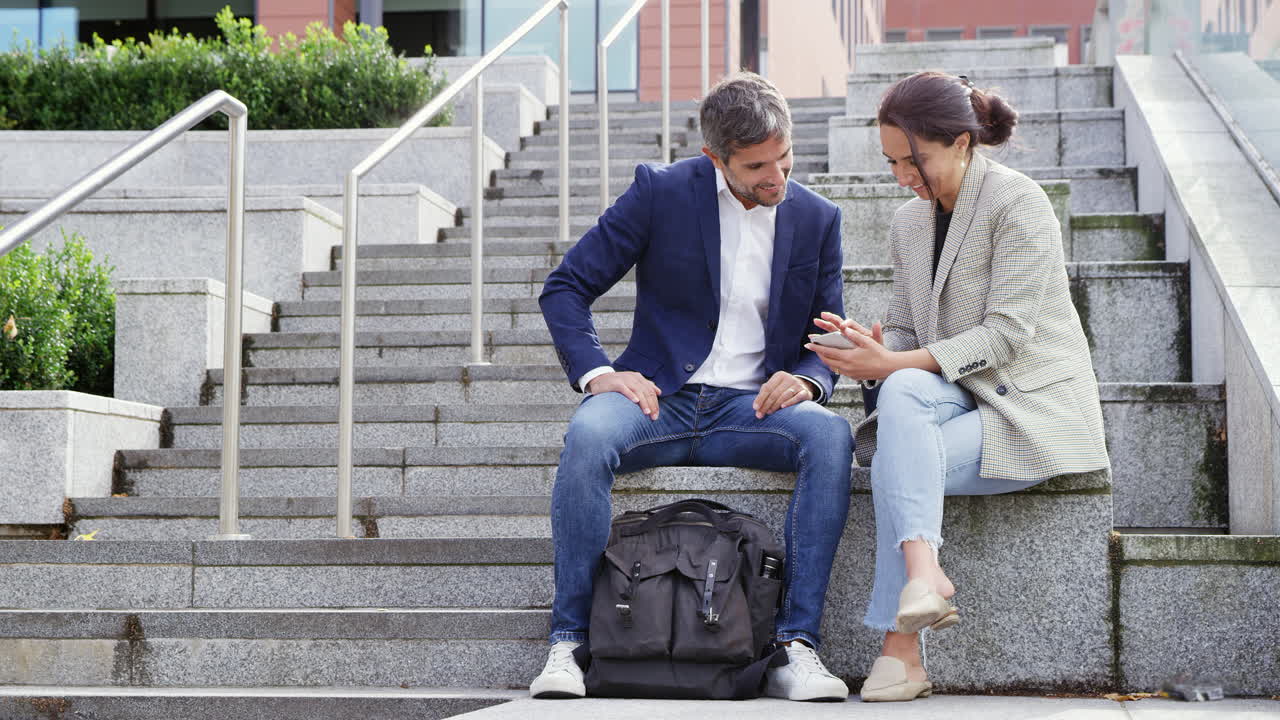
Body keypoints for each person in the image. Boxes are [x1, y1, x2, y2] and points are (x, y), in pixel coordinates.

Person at [531, 71, 853, 701]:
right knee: (589, 434)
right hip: (658, 402)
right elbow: (566, 287)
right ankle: (569, 642)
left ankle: (796, 645)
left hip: (751, 410)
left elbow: (827, 336)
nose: (777, 178)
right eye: (758, 166)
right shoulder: (661, 192)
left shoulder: (818, 217)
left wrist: (810, 381)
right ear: (714, 157)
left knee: (831, 437)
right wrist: (601, 374)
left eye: (784, 157)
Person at [804, 71, 1110, 703]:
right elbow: (912, 330)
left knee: (897, 450)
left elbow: (1006, 335)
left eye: (914, 159)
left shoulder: (1017, 203)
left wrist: (895, 365)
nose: (902, 176)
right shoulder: (908, 224)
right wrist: (870, 350)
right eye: (891, 161)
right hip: (951, 400)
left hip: (1027, 402)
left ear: (963, 142)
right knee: (899, 397)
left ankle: (901, 647)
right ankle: (925, 576)